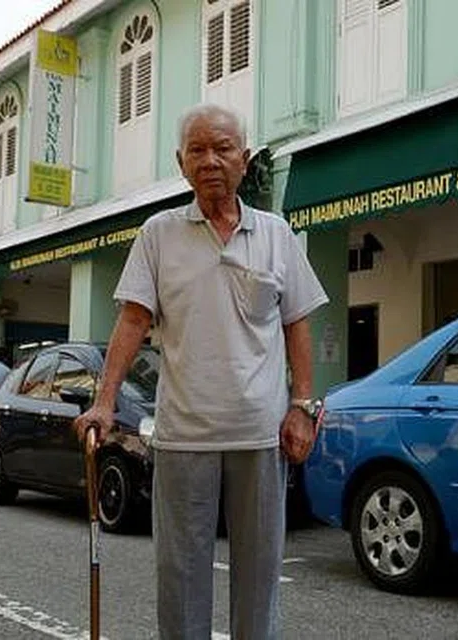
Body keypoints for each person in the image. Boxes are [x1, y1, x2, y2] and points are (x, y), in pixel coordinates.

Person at [74, 103, 328, 640]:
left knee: (259, 580)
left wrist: (302, 406)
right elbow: (133, 320)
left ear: (245, 159)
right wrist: (104, 401)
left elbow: (297, 323)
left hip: (259, 434)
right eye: (198, 150)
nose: (211, 160)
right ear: (181, 162)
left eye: (223, 148)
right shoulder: (158, 234)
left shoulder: (277, 234)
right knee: (181, 578)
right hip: (183, 436)